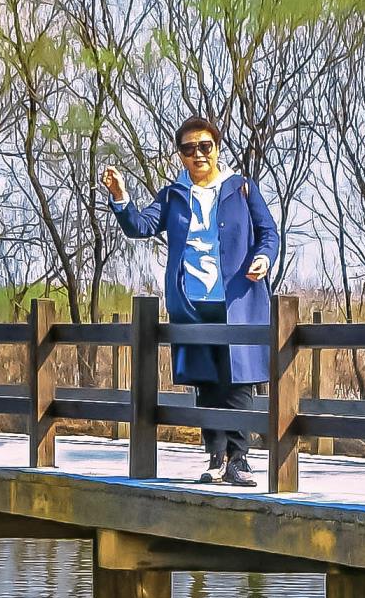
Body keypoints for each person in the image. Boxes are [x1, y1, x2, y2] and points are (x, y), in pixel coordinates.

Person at [105, 115, 281, 486]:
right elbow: (141, 226)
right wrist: (121, 196)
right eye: (189, 149)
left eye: (205, 146)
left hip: (237, 300)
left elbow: (268, 232)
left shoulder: (241, 188)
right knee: (206, 381)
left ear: (217, 148)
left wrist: (263, 258)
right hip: (192, 303)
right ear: (181, 155)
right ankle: (216, 457)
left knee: (238, 382)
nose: (198, 154)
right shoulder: (173, 195)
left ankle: (240, 459)